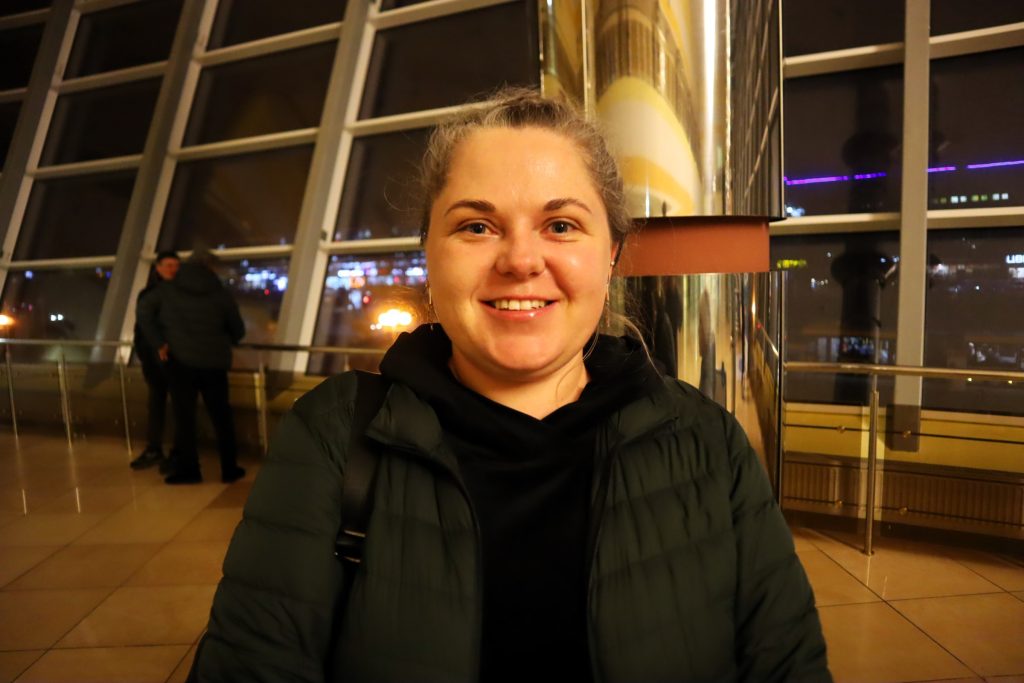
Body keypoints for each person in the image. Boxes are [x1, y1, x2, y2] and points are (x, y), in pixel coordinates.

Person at [191, 88, 830, 681]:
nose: (521, 261)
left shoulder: (706, 442)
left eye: (561, 225)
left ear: (611, 252)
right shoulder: (335, 437)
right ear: (429, 252)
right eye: (477, 226)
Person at [137, 250, 246, 485]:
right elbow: (238, 330)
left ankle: (190, 470)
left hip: (181, 362)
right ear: (210, 267)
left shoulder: (166, 290)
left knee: (184, 418)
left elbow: (143, 312)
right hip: (215, 363)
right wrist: (221, 339)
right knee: (222, 416)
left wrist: (159, 343)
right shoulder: (220, 293)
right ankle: (229, 468)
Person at [129, 250, 180, 470]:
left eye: (175, 266)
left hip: (173, 359)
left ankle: (169, 451)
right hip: (156, 360)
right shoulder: (154, 294)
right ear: (158, 268)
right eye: (168, 265)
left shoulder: (151, 294)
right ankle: (156, 449)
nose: (172, 270)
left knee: (174, 405)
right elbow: (142, 327)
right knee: (158, 404)